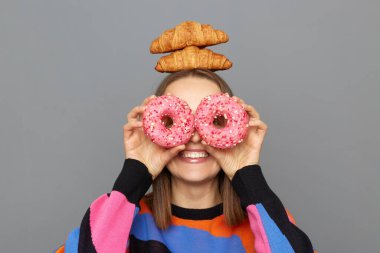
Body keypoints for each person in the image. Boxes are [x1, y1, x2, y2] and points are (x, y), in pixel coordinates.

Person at [53, 68, 317, 253]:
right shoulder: (121, 223)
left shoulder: (265, 223)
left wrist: (247, 173)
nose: (193, 137)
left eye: (212, 120)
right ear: (153, 127)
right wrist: (135, 171)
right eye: (177, 121)